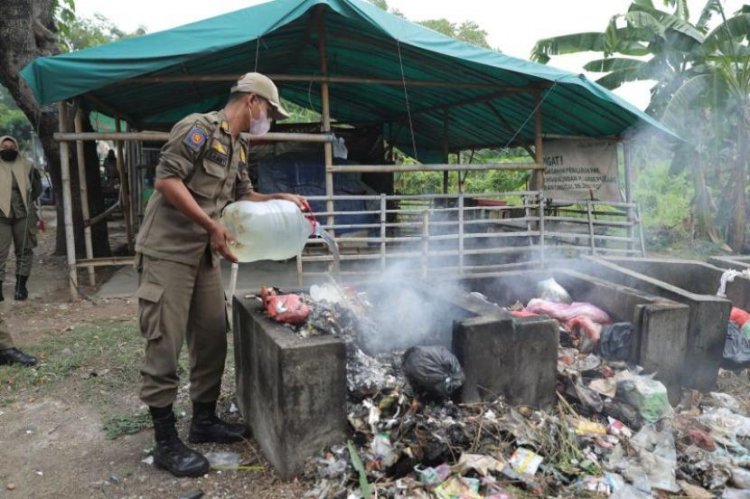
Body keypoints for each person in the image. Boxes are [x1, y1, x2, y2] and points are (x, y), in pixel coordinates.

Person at [134, 72, 307, 478]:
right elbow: (166, 180)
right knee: (165, 341)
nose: (270, 119)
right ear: (252, 102)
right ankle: (164, 441)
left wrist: (281, 198)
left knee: (212, 335)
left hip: (202, 256)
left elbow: (244, 195)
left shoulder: (239, 144)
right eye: (269, 111)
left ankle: (204, 419)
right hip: (169, 251)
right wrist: (212, 226)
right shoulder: (198, 128)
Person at [0, 136, 41, 301]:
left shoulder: (27, 165)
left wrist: (27, 202)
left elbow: (37, 188)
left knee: (25, 250)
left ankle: (20, 287)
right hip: (1, 216)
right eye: (4, 146)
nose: (8, 149)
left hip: (23, 214)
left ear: (16, 148)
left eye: (12, 146)